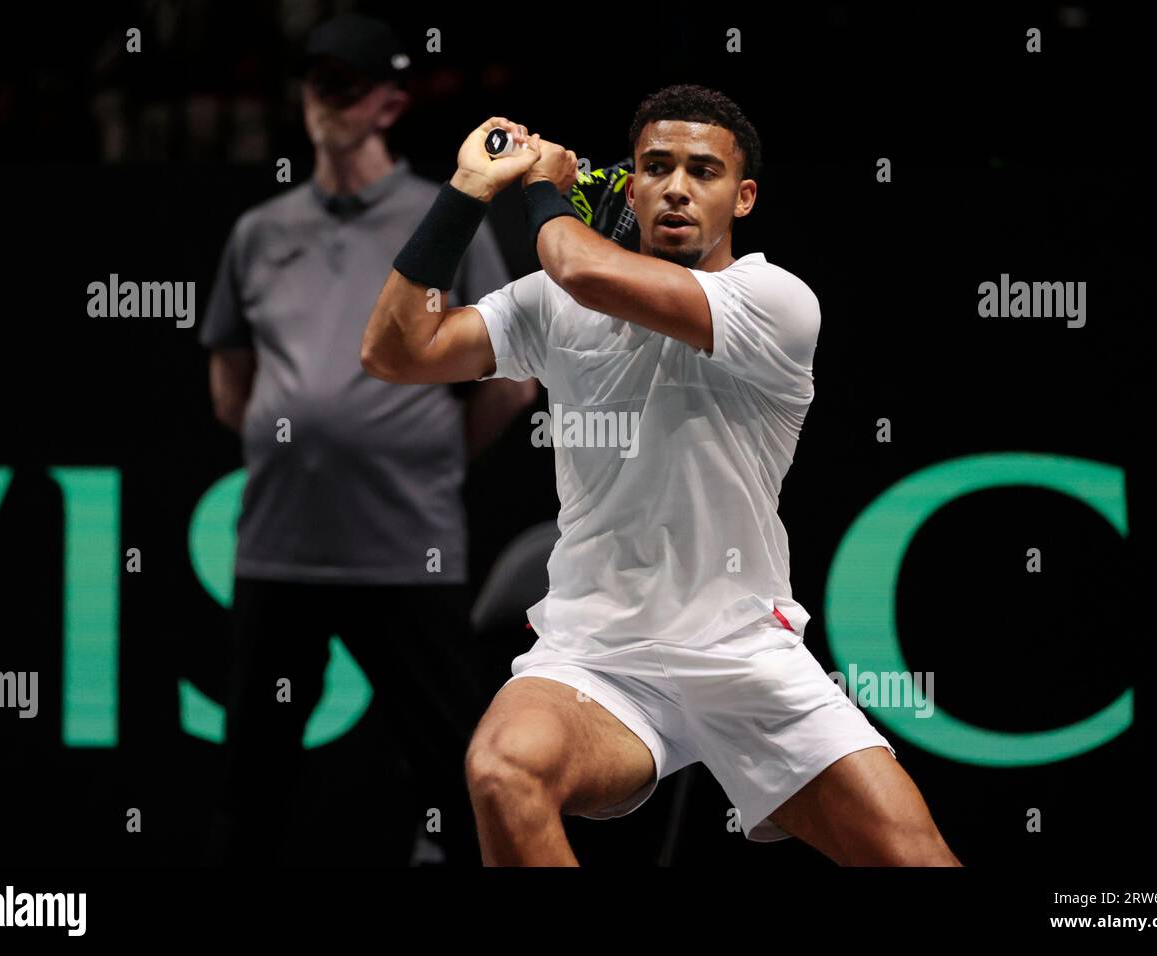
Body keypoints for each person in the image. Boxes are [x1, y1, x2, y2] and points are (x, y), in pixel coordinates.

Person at [361, 83, 959, 866]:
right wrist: (469, 190)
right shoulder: (552, 302)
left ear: (742, 197)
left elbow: (581, 268)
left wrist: (540, 186)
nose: (678, 186)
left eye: (704, 172)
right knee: (503, 772)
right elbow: (396, 350)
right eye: (658, 167)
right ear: (631, 185)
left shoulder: (775, 303)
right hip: (595, 659)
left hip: (747, 656)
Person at [198, 14, 536, 866]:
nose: (326, 102)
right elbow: (231, 386)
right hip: (280, 549)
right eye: (316, 82)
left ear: (391, 100)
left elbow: (512, 376)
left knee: (460, 768)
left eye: (347, 85)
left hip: (402, 546)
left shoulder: (444, 218)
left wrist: (426, 459)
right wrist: (301, 438)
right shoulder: (260, 232)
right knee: (250, 780)